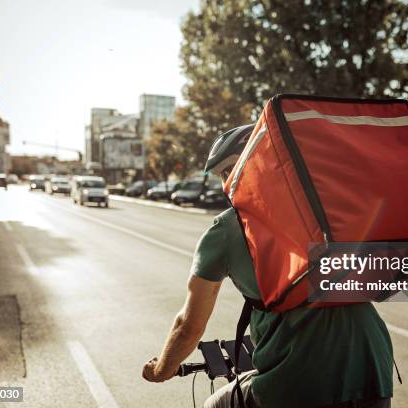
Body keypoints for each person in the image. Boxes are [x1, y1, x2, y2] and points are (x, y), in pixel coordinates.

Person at [142, 124, 395, 408]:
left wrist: (161, 370)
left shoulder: (229, 227)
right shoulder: (325, 213)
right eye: (223, 176)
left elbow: (189, 326)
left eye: (231, 171)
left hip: (298, 381)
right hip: (373, 371)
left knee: (215, 405)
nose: (228, 185)